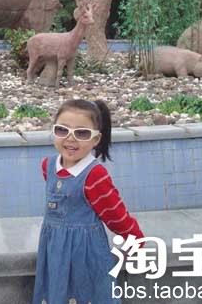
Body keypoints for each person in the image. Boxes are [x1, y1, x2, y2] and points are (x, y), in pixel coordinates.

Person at [32, 99, 144, 304]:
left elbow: (115, 214)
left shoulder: (94, 175)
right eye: (62, 130)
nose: (70, 138)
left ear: (96, 139)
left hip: (85, 254)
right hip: (54, 251)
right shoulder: (48, 165)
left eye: (82, 133)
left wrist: (134, 239)